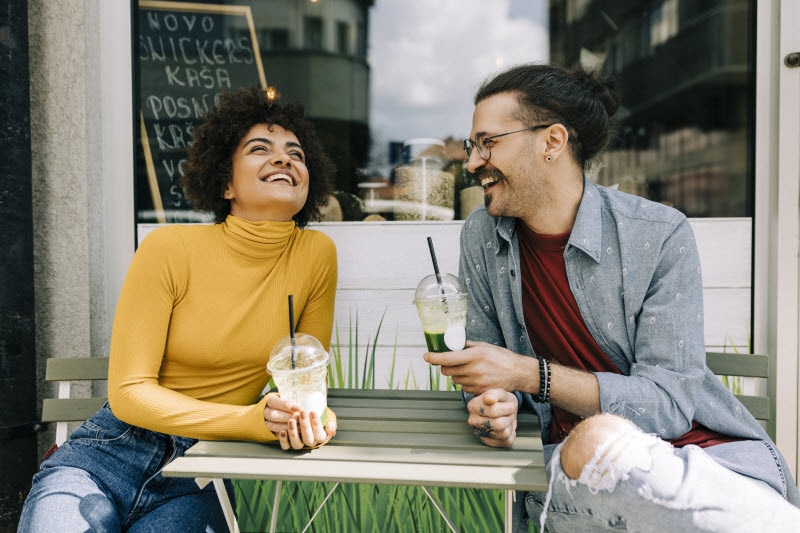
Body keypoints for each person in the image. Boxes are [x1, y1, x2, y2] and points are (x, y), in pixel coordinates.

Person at [424, 63, 800, 532]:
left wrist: (527, 374)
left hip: (712, 465)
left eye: (488, 142)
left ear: (552, 142)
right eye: (471, 146)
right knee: (592, 441)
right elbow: (487, 379)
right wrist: (490, 409)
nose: (473, 161)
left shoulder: (658, 234)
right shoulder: (483, 236)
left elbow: (667, 405)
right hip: (582, 482)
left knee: (599, 436)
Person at [19, 86, 339, 532]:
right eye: (260, 148)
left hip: (198, 475)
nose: (284, 159)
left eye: (296, 153)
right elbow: (129, 392)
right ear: (225, 182)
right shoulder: (168, 248)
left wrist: (313, 417)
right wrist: (248, 421)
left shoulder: (316, 255)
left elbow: (307, 373)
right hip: (106, 457)